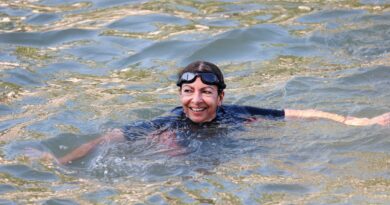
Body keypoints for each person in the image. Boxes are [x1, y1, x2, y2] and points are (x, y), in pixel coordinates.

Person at [31, 61, 390, 165]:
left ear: (221, 97)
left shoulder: (238, 114)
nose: (196, 99)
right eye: (189, 91)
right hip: (176, 156)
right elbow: (106, 138)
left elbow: (298, 113)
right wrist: (62, 161)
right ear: (180, 95)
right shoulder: (167, 122)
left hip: (227, 154)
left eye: (206, 92)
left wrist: (353, 121)